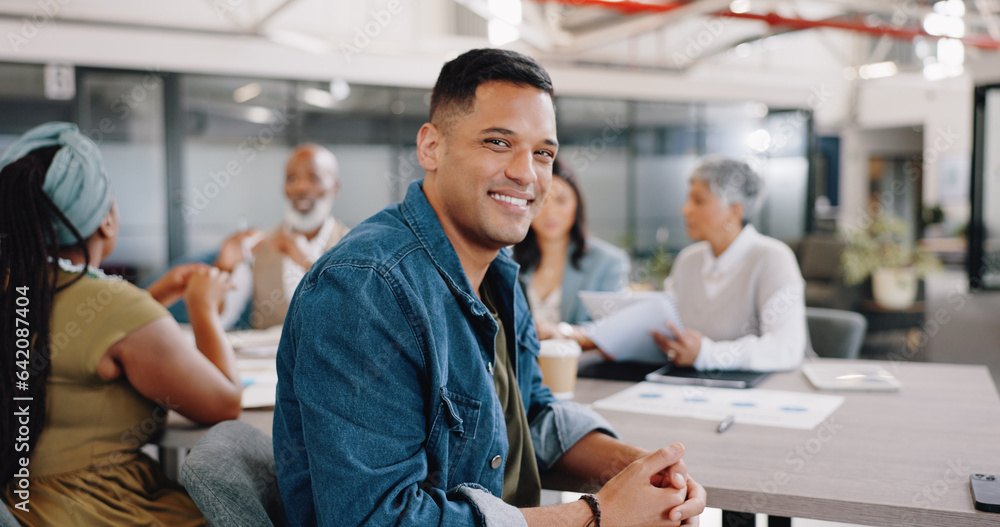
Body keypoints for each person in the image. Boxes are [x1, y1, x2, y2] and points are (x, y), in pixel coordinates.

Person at [273, 48, 705, 526]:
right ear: (431, 147)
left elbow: (532, 414)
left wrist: (639, 471)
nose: (526, 173)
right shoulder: (364, 289)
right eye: (499, 143)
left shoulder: (497, 271)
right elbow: (378, 519)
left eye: (543, 152)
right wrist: (595, 515)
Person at [0, 122, 243, 526]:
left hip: (21, 504)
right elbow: (224, 404)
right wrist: (204, 308)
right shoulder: (112, 306)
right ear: (107, 221)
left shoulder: (15, 289)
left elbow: (80, 335)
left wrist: (149, 300)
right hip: (100, 508)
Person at [652, 156, 807, 372]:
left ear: (734, 212)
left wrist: (707, 354)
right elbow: (668, 326)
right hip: (688, 384)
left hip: (758, 392)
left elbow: (786, 348)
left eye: (698, 201)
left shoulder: (773, 258)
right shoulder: (688, 260)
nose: (685, 210)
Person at [213, 143, 350, 329]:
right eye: (292, 179)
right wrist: (224, 268)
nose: (301, 188)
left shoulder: (353, 247)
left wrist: (306, 261)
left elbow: (352, 319)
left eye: (313, 178)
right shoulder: (260, 245)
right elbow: (220, 320)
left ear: (335, 187)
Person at [513, 158, 630, 350]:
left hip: (575, 371)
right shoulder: (507, 261)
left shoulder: (608, 262)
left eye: (561, 200)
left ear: (577, 204)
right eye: (541, 200)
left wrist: (562, 332)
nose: (550, 212)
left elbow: (612, 329)